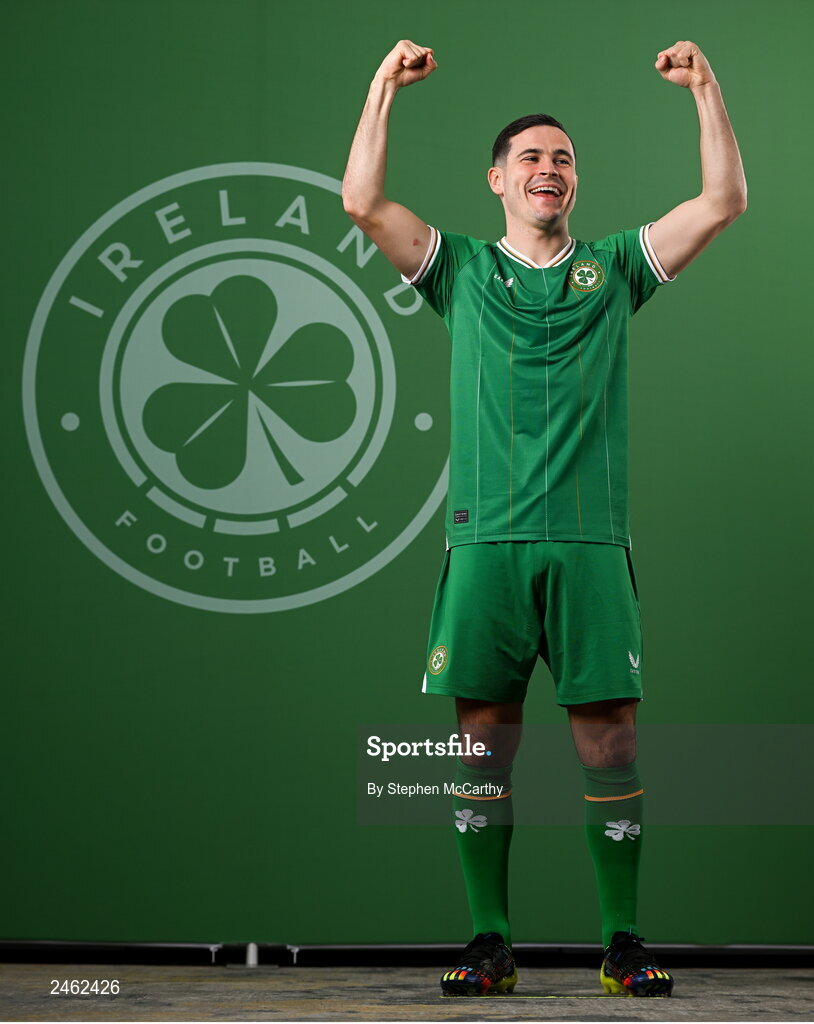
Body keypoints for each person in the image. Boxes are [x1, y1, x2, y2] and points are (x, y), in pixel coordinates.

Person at [342, 38, 746, 998]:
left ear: (576, 182)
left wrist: (707, 89)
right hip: (486, 546)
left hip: (590, 546)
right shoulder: (459, 271)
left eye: (563, 158)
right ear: (496, 180)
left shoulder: (614, 269)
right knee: (483, 741)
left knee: (611, 743)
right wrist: (382, 88)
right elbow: (361, 200)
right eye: (530, 157)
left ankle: (622, 943)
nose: (548, 169)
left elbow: (724, 200)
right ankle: (490, 943)